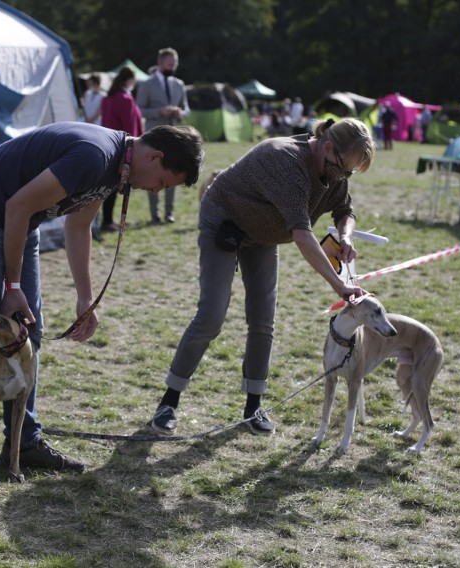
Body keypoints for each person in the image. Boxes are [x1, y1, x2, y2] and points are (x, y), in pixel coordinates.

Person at [0, 122, 204, 490]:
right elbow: (17, 204)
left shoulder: (115, 169)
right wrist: (11, 286)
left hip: (21, 222)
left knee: (30, 333)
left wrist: (84, 298)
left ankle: (24, 441)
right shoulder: (95, 156)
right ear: (154, 157)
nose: (155, 191)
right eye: (162, 183)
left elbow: (79, 225)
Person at [148, 118, 375, 436]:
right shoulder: (285, 159)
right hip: (225, 221)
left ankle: (253, 406)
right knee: (211, 315)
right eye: (342, 169)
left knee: (263, 319)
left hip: (265, 234)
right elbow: (301, 234)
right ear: (326, 147)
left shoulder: (334, 168)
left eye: (349, 173)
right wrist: (339, 286)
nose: (343, 177)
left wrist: (346, 236)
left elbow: (344, 210)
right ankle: (168, 402)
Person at [135, 47, 190, 224]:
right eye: (169, 64)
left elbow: (186, 109)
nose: (172, 67)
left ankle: (169, 213)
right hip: (154, 137)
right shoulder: (146, 84)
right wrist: (160, 111)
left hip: (175, 136)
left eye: (175, 65)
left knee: (174, 172)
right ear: (160, 63)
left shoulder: (179, 84)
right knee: (153, 174)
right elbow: (138, 110)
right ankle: (154, 214)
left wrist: (179, 112)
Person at [99, 66, 144, 232]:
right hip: (122, 148)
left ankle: (105, 220)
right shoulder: (125, 98)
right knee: (114, 185)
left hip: (106, 145)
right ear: (130, 80)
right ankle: (108, 220)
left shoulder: (107, 98)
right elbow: (130, 128)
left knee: (104, 186)